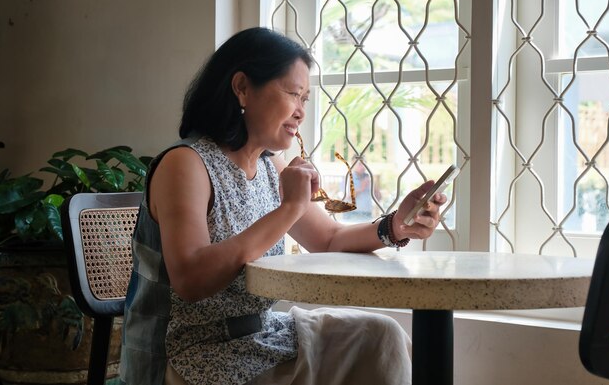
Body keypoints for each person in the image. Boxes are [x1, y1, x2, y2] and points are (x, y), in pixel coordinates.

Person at [119, 27, 446, 385]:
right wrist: (289, 208)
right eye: (293, 94)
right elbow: (191, 279)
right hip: (192, 351)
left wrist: (396, 226)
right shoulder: (185, 164)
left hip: (260, 335)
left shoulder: (268, 166)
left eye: (305, 98)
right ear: (242, 87)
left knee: (380, 335)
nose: (301, 112)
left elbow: (330, 239)